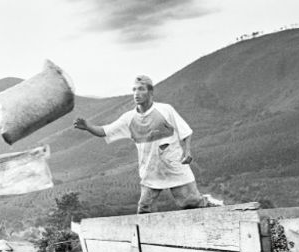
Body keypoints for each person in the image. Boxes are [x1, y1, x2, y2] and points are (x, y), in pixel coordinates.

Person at [73, 75, 223, 214]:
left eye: (141, 89)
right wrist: (88, 126)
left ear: (150, 92)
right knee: (144, 209)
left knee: (190, 202)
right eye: (134, 90)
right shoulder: (129, 118)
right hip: (150, 170)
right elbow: (105, 131)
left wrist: (187, 151)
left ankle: (209, 204)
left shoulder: (165, 110)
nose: (136, 93)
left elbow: (186, 132)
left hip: (174, 166)